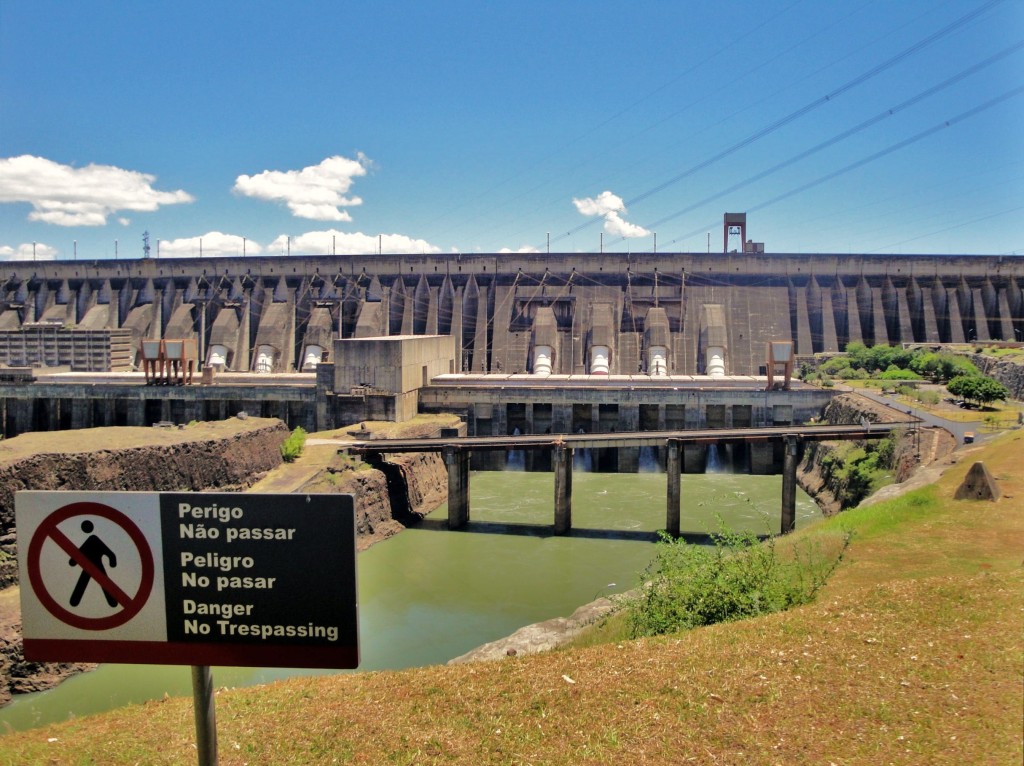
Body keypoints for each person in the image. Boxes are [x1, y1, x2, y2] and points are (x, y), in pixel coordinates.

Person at [69, 520, 118, 608]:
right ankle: (113, 602)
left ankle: (113, 601)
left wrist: (73, 561)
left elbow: (110, 554)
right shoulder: (92, 540)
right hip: (90, 565)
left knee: (84, 582)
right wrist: (112, 562)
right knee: (87, 582)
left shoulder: (93, 540)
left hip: (92, 565)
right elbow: (110, 554)